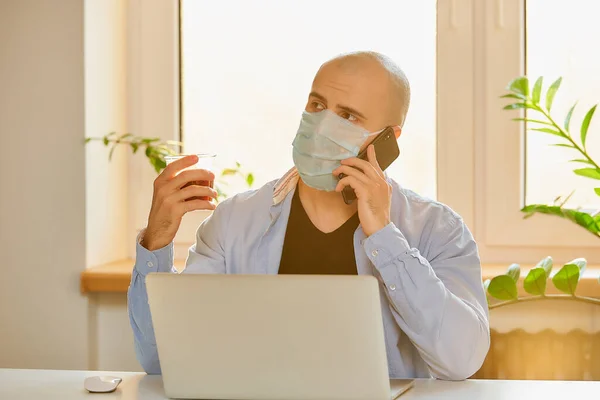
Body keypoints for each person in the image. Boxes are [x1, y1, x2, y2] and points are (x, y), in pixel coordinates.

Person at [128, 51, 490, 380]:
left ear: (389, 139)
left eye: (348, 116)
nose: (321, 125)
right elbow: (162, 361)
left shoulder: (438, 230)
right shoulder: (235, 221)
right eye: (317, 105)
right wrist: (156, 238)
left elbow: (460, 360)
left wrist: (383, 233)